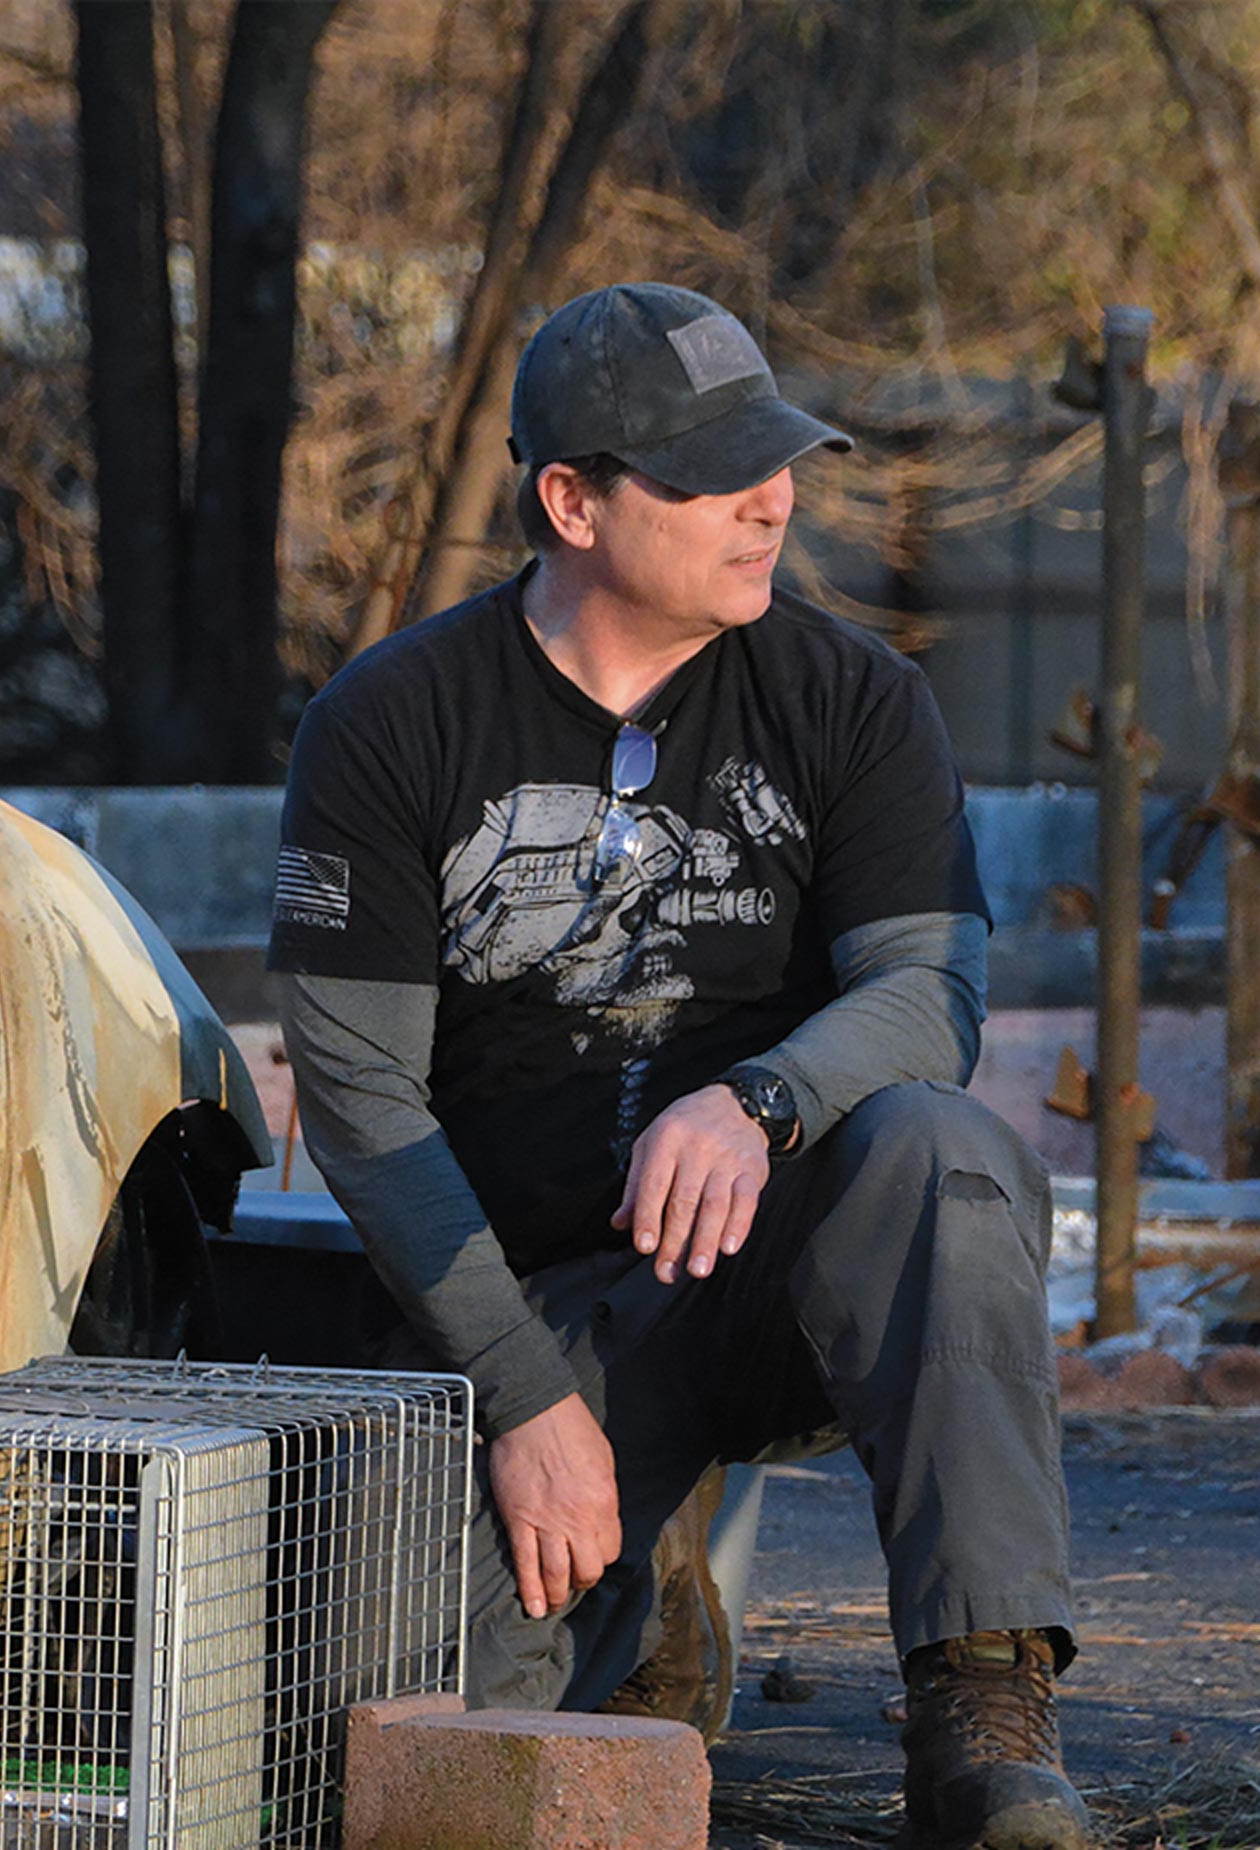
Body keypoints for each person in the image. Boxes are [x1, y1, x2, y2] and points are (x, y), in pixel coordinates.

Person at [270, 282, 1085, 1850]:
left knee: (940, 1149)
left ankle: (983, 1709)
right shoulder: (388, 724)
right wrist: (517, 1391)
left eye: (776, 458)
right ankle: (648, 1607)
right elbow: (362, 1100)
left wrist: (763, 1096)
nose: (771, 498)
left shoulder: (850, 696)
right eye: (714, 475)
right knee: (418, 1754)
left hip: (780, 1274)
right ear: (571, 500)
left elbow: (932, 990)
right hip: (530, 1308)